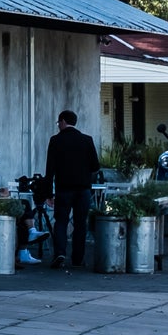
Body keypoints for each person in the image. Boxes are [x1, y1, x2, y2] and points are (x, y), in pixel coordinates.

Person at [46, 109, 101, 269]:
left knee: (61, 221)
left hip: (64, 189)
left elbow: (50, 169)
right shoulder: (86, 140)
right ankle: (78, 258)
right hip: (83, 189)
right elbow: (95, 166)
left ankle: (60, 253)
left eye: (58, 123)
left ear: (62, 121)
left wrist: (49, 192)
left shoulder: (56, 141)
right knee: (80, 224)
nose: (58, 125)